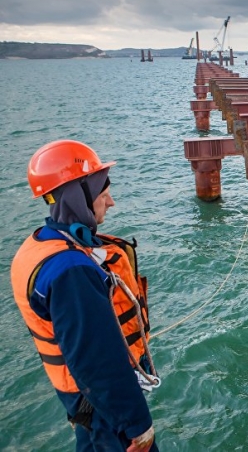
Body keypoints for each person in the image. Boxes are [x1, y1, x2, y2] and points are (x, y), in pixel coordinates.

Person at [10, 140, 158, 452]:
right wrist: (138, 425)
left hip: (84, 405)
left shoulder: (40, 246)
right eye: (104, 192)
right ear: (80, 194)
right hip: (105, 412)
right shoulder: (72, 271)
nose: (112, 202)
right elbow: (98, 361)